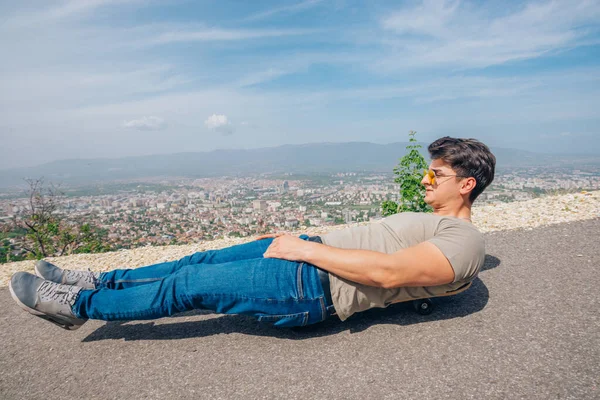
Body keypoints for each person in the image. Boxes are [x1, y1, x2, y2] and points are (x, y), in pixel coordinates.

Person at [9, 136, 496, 330]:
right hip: (306, 257)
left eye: (436, 175)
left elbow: (389, 275)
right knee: (190, 263)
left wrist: (302, 250)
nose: (425, 180)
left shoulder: (467, 242)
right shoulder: (442, 225)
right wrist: (303, 245)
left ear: (466, 185)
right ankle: (99, 282)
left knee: (187, 288)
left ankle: (75, 307)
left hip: (310, 284)